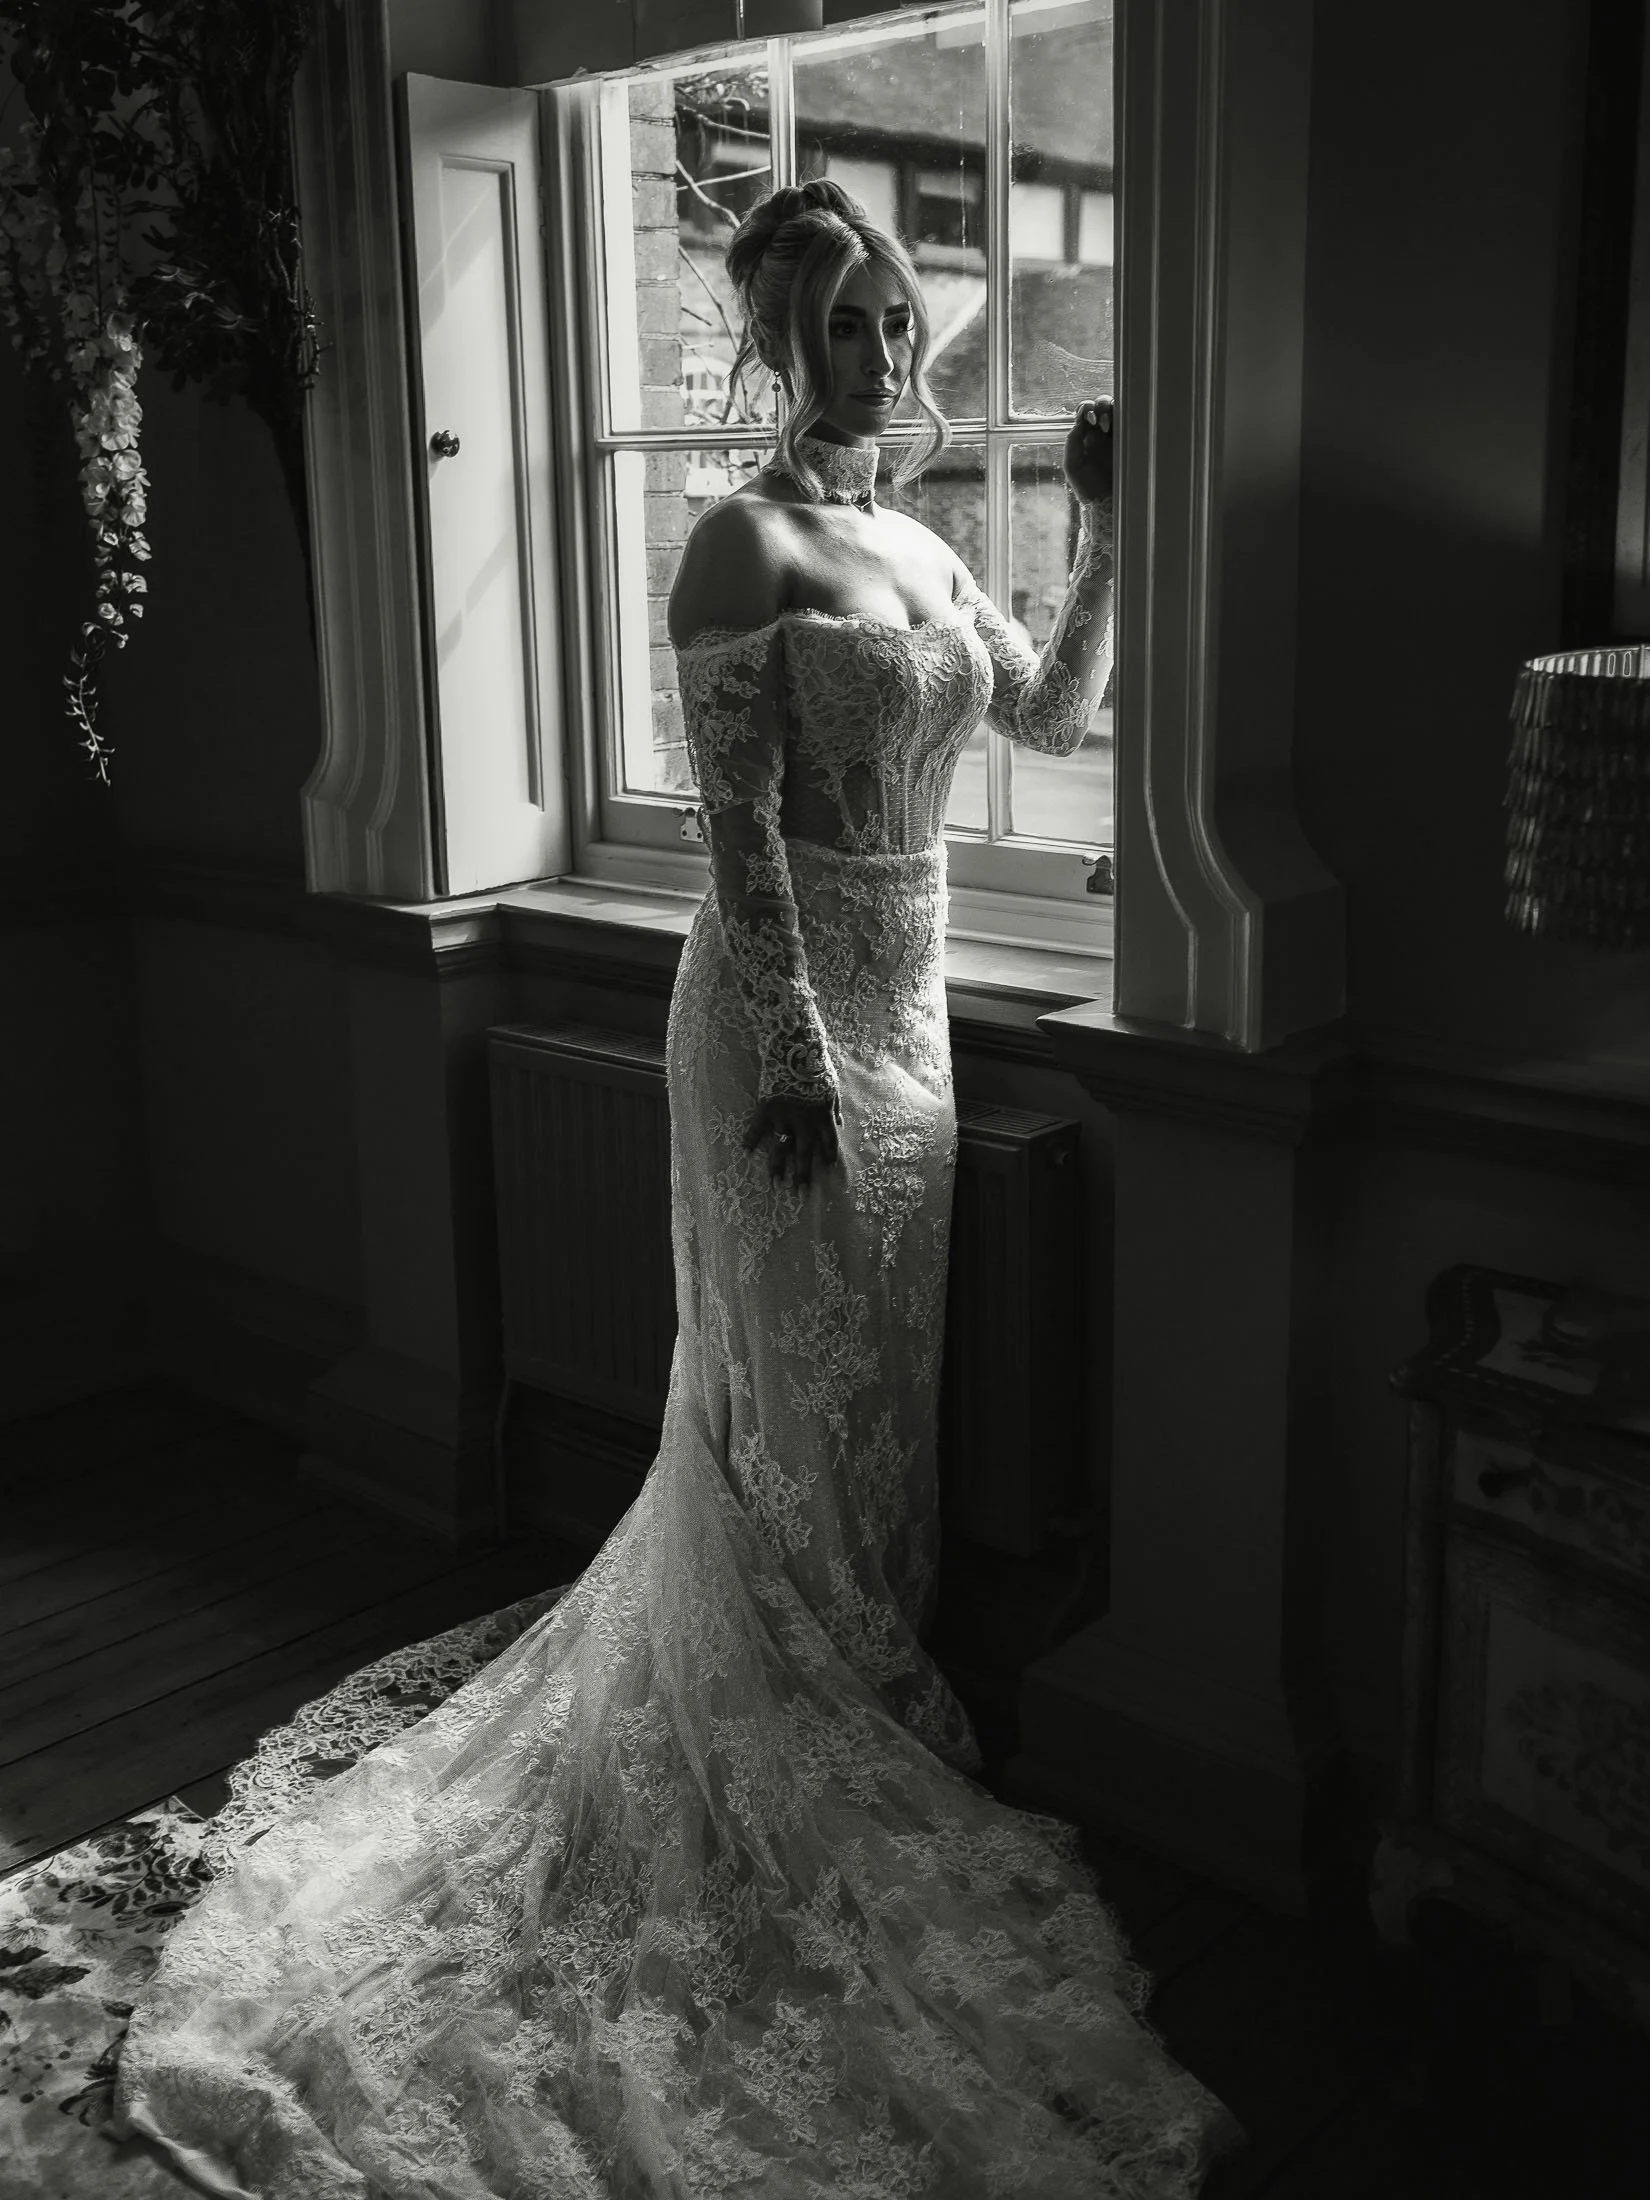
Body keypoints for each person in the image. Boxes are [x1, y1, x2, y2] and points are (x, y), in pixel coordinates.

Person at [110, 179, 1242, 2199]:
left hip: (921, 1024)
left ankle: (854, 1692)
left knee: (875, 1401)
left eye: (891, 320)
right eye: (834, 330)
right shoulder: (740, 538)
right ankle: (791, 1743)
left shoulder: (919, 533)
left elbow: (1060, 715)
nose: (877, 355)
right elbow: (735, 841)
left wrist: (1101, 534)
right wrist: (795, 1064)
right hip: (781, 1022)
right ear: (770, 347)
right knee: (786, 1403)